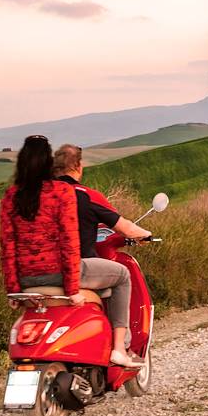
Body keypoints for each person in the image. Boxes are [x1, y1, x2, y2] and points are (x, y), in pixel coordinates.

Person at [0, 136, 148, 369]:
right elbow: (69, 244)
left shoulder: (11, 196)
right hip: (62, 274)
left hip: (26, 279)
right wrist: (71, 290)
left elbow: (7, 246)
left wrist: (13, 290)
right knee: (122, 275)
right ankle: (120, 349)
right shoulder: (60, 192)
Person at [52, 143, 152, 367]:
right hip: (77, 267)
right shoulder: (85, 195)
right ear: (78, 166)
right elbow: (124, 227)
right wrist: (145, 234)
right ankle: (120, 348)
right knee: (123, 276)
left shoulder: (39, 196)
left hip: (38, 271)